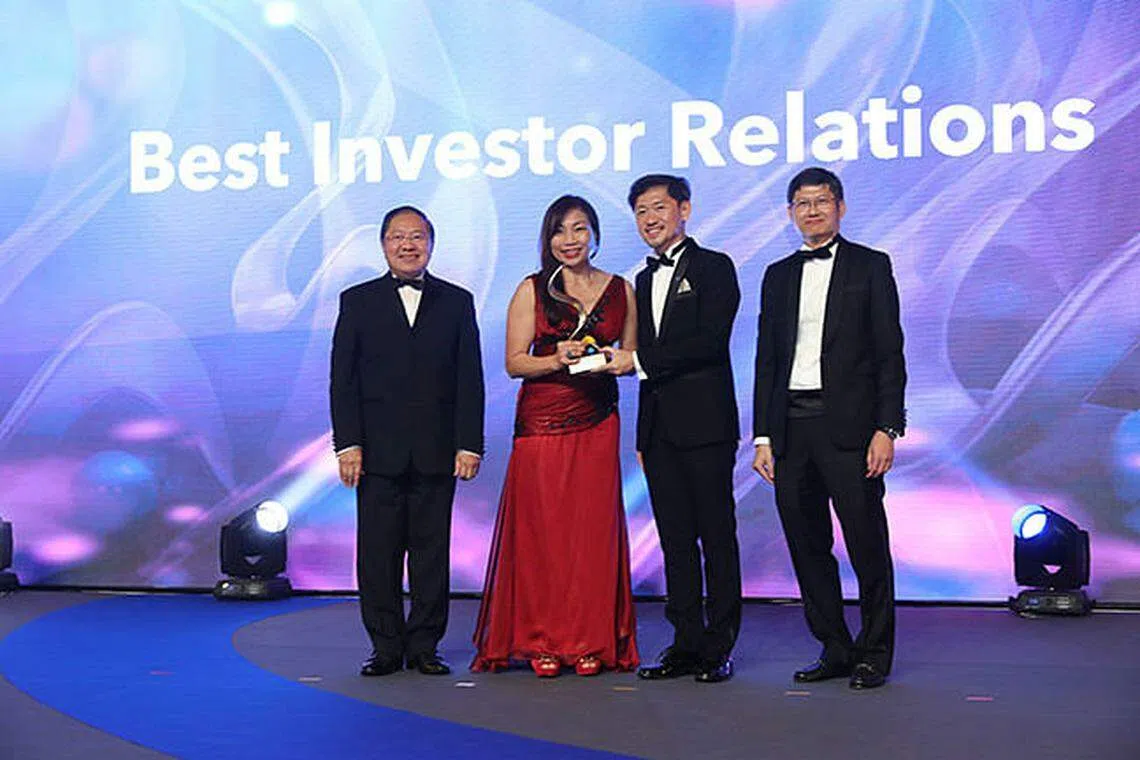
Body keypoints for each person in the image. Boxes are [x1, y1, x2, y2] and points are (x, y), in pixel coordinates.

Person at [472, 195, 640, 678]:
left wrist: (613, 361)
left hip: (598, 420)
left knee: (591, 536)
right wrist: (555, 359)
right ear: (547, 239)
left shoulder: (621, 290)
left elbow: (630, 358)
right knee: (543, 536)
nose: (570, 240)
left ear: (595, 234)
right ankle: (541, 640)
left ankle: (589, 640)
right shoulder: (532, 289)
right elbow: (513, 362)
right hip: (542, 424)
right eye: (559, 231)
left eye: (579, 228)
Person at [752, 166, 906, 690]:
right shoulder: (777, 275)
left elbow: (889, 353)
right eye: (802, 203)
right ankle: (835, 647)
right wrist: (763, 437)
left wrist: (887, 427)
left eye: (821, 201)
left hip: (852, 431)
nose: (812, 210)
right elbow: (767, 362)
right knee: (807, 545)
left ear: (840, 207)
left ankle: (874, 653)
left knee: (866, 544)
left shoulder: (870, 265)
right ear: (790, 213)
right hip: (791, 430)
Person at [330, 205, 485, 677]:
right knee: (377, 556)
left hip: (438, 451)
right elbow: (343, 380)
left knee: (431, 555)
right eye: (398, 236)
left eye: (417, 236)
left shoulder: (457, 302)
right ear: (383, 245)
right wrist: (348, 444)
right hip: (376, 454)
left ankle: (424, 647)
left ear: (431, 244)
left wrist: (469, 443)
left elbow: (470, 378)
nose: (407, 245)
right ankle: (384, 647)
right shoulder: (357, 301)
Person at [603, 175, 742, 684]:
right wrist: (643, 436)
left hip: (706, 425)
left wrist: (636, 360)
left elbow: (709, 342)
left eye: (658, 207)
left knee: (716, 537)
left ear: (684, 209)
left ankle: (718, 646)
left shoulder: (715, 267)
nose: (650, 219)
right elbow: (646, 366)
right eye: (641, 211)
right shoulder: (642, 280)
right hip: (660, 432)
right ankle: (684, 643)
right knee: (675, 540)